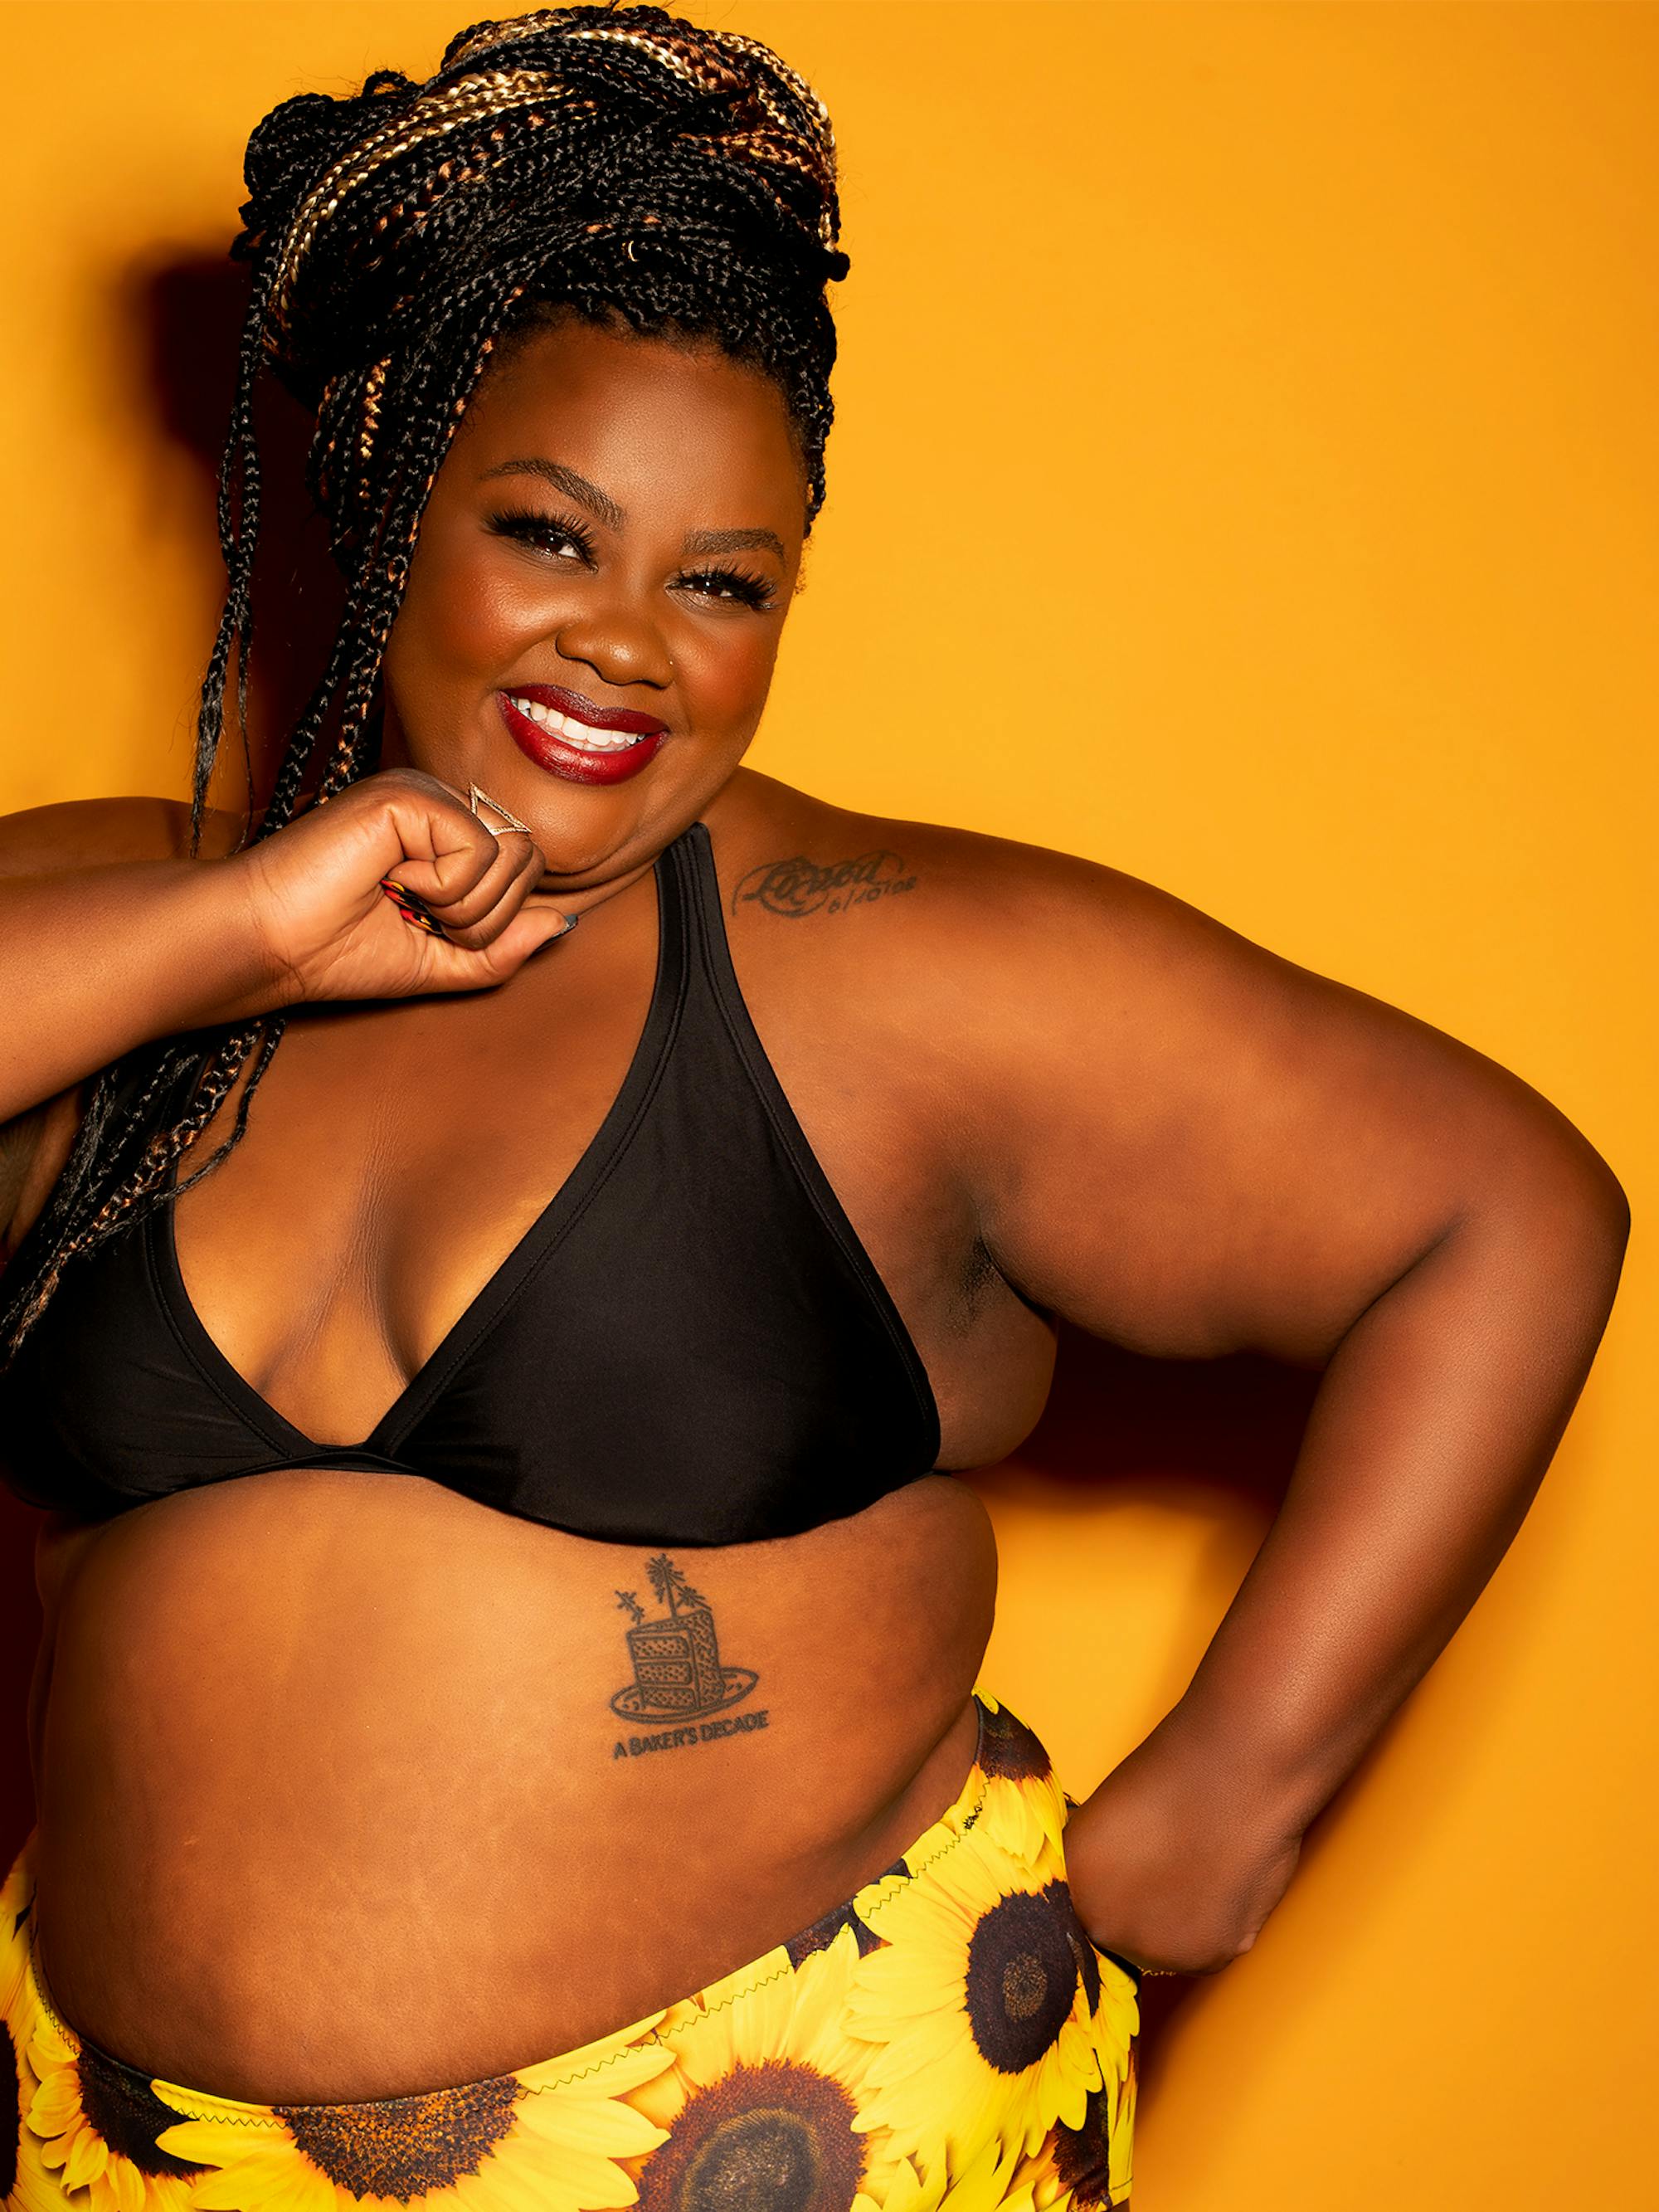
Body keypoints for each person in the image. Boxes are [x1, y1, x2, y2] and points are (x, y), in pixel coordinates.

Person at [0, 7, 1628, 2208]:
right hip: (122, 2155)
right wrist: (250, 932)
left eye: (726, 582)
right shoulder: (121, 914)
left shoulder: (892, 961)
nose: (635, 647)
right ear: (393, 484)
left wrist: (1241, 1789)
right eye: (553, 538)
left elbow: (1500, 1207)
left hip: (795, 2129)